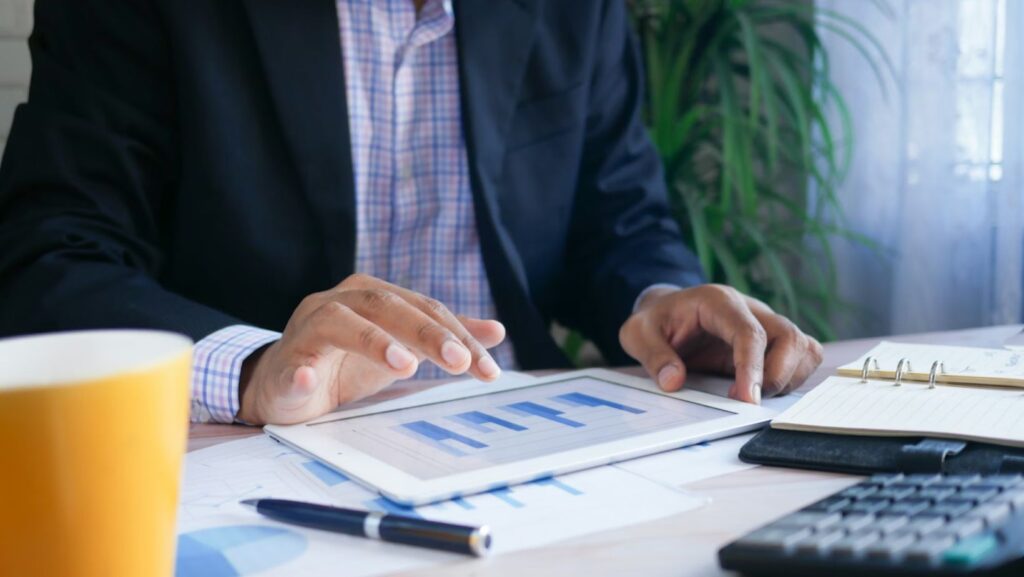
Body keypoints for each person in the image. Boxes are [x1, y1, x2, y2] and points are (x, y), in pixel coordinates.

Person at [0, 0, 822, 426]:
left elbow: (617, 218)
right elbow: (49, 261)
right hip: (256, 455)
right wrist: (258, 371)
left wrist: (660, 298)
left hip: (523, 442)